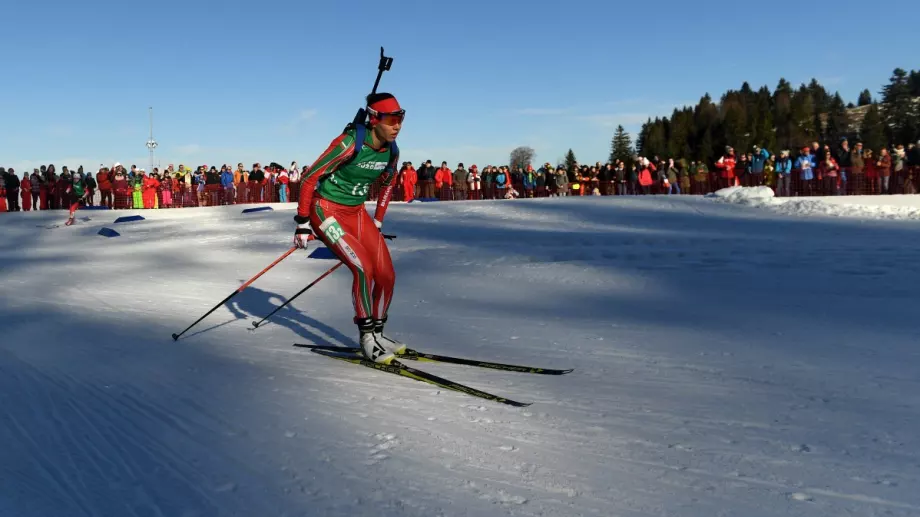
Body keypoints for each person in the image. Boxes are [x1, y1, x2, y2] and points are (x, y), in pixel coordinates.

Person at [293, 92, 405, 364]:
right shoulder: (348, 143)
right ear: (374, 119)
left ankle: (379, 332)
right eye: (391, 119)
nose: (397, 125)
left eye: (401, 118)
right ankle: (367, 338)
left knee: (386, 274)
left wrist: (377, 220)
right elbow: (309, 178)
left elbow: (389, 183)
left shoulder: (392, 150)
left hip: (356, 212)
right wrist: (302, 223)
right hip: (326, 210)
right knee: (363, 268)